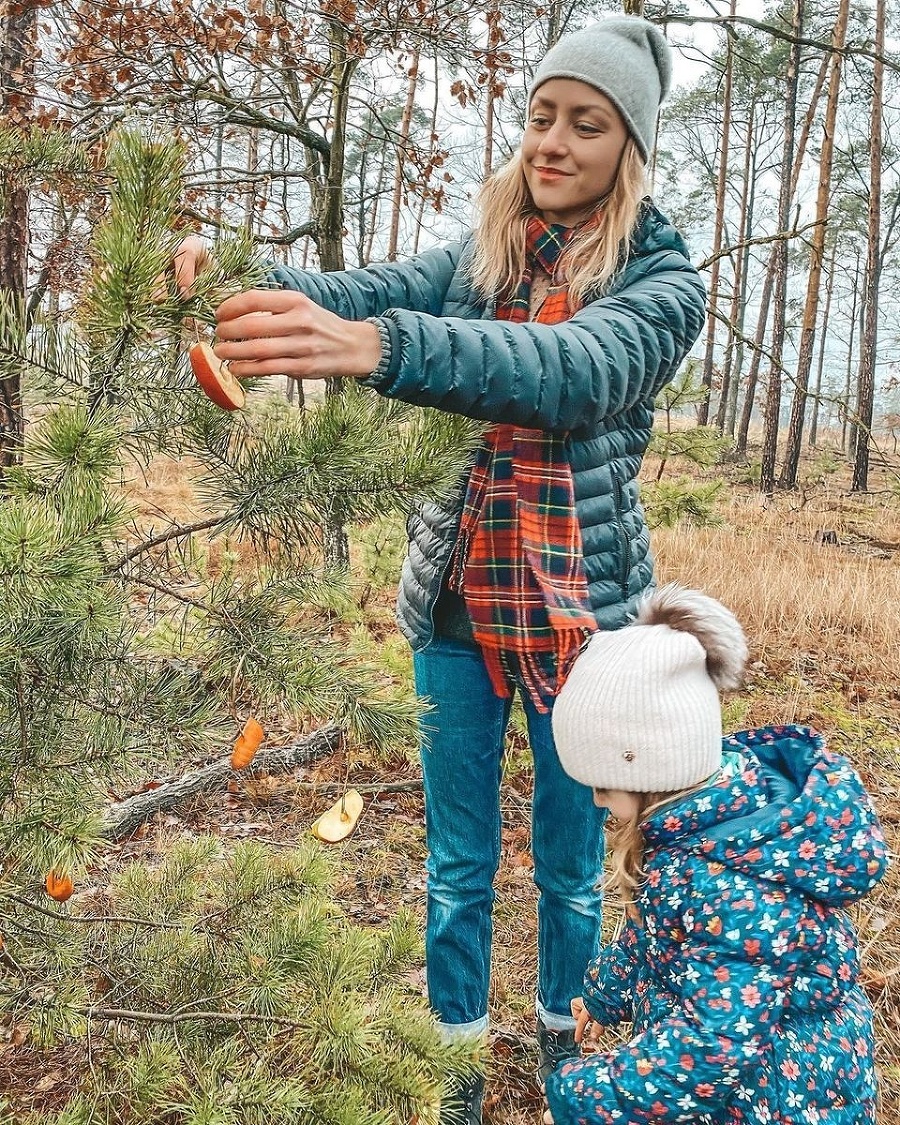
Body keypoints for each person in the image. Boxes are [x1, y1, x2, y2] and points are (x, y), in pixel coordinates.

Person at [174, 17, 706, 1121]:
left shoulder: (661, 281)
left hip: (586, 629)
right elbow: (353, 287)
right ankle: (457, 1062)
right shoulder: (478, 254)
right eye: (543, 116)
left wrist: (389, 351)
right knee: (459, 867)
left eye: (587, 124)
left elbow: (573, 371)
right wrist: (229, 272)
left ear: (630, 146)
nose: (552, 142)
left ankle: (569, 1040)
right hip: (458, 615)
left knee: (568, 871)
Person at [544, 583, 890, 1125]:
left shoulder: (737, 887)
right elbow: (652, 933)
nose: (595, 800)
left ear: (648, 771)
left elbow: (709, 1051)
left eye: (603, 786)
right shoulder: (694, 836)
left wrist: (583, 1097)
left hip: (777, 1102)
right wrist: (606, 994)